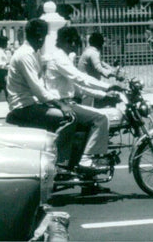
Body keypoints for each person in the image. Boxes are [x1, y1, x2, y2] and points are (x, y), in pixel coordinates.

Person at [42, 26, 123, 172]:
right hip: (62, 103)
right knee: (101, 118)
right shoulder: (59, 57)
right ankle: (86, 159)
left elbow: (80, 87)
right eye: (74, 42)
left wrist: (104, 94)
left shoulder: (63, 57)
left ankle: (90, 178)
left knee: (92, 122)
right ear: (69, 41)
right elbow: (80, 78)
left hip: (68, 101)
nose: (75, 45)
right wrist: (107, 87)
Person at [6, 19, 74, 167]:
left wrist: (60, 101)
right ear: (39, 36)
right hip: (24, 106)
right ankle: (61, 163)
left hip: (31, 104)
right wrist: (61, 105)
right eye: (43, 36)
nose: (43, 40)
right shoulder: (25, 55)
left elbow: (42, 87)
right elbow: (39, 91)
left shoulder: (33, 53)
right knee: (70, 118)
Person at [77, 32, 120, 107]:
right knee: (90, 109)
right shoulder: (93, 53)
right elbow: (99, 68)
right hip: (88, 86)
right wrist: (114, 75)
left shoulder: (90, 51)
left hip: (88, 83)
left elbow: (101, 63)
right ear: (100, 43)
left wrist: (113, 70)